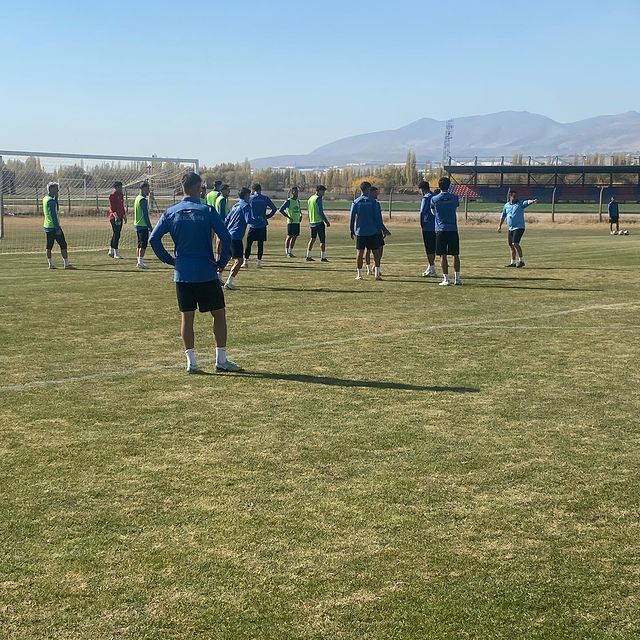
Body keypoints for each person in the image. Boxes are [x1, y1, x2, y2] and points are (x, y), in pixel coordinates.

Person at [149, 171, 241, 373]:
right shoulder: (206, 211)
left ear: (182, 188)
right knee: (219, 315)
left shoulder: (171, 212)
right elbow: (225, 237)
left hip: (182, 274)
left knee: (187, 318)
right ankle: (221, 360)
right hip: (206, 273)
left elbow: (153, 240)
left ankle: (192, 362)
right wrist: (222, 261)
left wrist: (171, 261)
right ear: (197, 188)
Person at [350, 181, 385, 280]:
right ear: (368, 189)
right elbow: (377, 217)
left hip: (360, 232)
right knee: (376, 253)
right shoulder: (373, 202)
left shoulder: (356, 202)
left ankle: (359, 275)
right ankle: (377, 274)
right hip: (372, 231)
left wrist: (351, 230)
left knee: (360, 253)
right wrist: (380, 229)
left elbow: (352, 217)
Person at [430, 176, 462, 286]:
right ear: (449, 186)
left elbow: (433, 211)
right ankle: (457, 278)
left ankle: (446, 279)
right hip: (453, 229)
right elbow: (456, 206)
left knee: (442, 255)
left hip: (440, 229)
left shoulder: (434, 199)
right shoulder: (454, 198)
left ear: (439, 186)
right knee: (455, 254)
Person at [498, 189, 537, 267]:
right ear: (510, 196)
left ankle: (521, 261)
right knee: (511, 245)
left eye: (516, 196)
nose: (515, 197)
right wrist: (500, 226)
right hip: (510, 228)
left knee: (515, 243)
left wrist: (532, 201)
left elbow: (527, 202)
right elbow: (503, 216)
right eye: (513, 196)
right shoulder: (506, 205)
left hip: (519, 227)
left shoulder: (520, 203)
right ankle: (513, 262)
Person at [223, 187, 252, 290]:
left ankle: (217, 277)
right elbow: (249, 220)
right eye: (249, 195)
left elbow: (227, 219)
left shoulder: (235, 205)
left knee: (225, 259)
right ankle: (229, 282)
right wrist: (259, 219)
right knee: (239, 261)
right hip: (236, 237)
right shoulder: (246, 206)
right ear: (246, 195)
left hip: (228, 235)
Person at [42, 182, 75, 270]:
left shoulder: (46, 198)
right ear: (52, 189)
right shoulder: (51, 201)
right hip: (53, 226)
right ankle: (66, 263)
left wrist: (56, 197)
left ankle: (50, 264)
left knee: (49, 245)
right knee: (63, 244)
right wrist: (57, 228)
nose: (58, 190)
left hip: (47, 225)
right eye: (56, 189)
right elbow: (53, 214)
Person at [243, 183, 277, 268]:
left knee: (249, 244)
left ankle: (246, 261)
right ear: (260, 189)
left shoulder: (250, 199)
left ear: (253, 190)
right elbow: (274, 208)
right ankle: (259, 262)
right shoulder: (265, 198)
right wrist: (267, 217)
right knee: (260, 244)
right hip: (262, 224)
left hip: (253, 225)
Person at [364, 186, 390, 275]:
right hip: (369, 230)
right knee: (368, 250)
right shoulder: (366, 203)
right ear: (370, 192)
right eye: (376, 192)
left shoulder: (376, 203)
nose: (377, 194)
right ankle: (368, 268)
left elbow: (379, 218)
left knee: (380, 248)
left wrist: (382, 228)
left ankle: (375, 266)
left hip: (377, 230)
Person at [306, 185, 330, 261]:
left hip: (312, 222)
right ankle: (323, 257)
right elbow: (320, 211)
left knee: (312, 239)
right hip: (319, 222)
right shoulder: (318, 199)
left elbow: (309, 211)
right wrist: (326, 221)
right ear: (319, 191)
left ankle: (308, 255)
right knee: (322, 240)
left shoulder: (310, 198)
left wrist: (310, 220)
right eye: (323, 191)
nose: (323, 193)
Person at [418, 180, 437, 277]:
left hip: (428, 226)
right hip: (437, 225)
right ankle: (431, 267)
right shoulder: (435, 196)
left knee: (429, 248)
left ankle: (432, 268)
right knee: (435, 248)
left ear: (421, 189)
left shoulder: (426, 198)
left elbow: (422, 212)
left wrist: (421, 223)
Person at [133, 181, 153, 269]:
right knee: (143, 244)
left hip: (137, 224)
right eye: (148, 188)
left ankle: (139, 261)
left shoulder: (137, 198)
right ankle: (140, 262)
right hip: (142, 224)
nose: (149, 191)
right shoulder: (143, 200)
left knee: (139, 244)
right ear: (143, 189)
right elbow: (145, 214)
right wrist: (149, 226)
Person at [279, 186, 303, 257]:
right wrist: (288, 217)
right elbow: (281, 210)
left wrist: (301, 215)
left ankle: (290, 251)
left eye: (297, 192)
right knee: (289, 236)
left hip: (297, 222)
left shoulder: (298, 201)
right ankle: (287, 252)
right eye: (295, 192)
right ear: (292, 192)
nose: (296, 193)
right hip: (291, 222)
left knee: (295, 237)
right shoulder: (288, 201)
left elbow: (299, 210)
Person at [108, 181, 127, 259]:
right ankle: (116, 252)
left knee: (117, 234)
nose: (121, 188)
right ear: (115, 187)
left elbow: (122, 206)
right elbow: (112, 208)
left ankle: (111, 250)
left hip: (120, 217)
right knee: (117, 234)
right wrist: (116, 216)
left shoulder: (121, 195)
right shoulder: (112, 196)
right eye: (119, 187)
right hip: (114, 218)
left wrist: (124, 215)